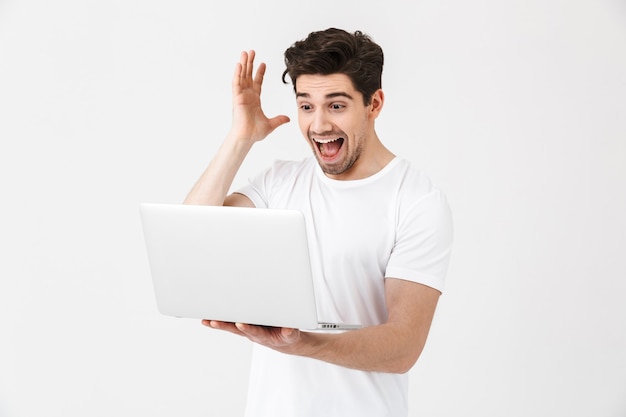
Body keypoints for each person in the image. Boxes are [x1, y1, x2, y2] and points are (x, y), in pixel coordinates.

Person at [184, 28, 453, 417]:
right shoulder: (280, 183)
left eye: (337, 106)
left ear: (374, 103)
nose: (319, 125)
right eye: (306, 106)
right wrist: (240, 136)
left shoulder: (416, 202)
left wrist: (302, 344)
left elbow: (403, 346)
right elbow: (193, 238)